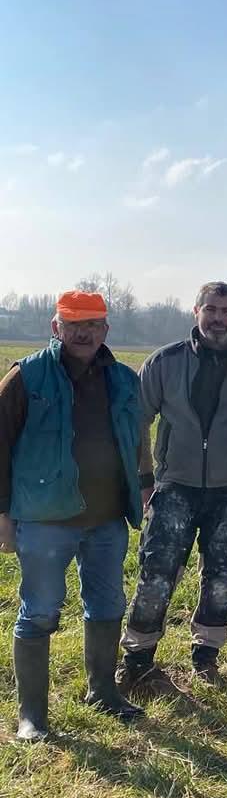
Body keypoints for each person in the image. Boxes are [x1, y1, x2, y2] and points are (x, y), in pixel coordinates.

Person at [0, 290, 149, 740]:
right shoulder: (25, 377)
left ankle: (103, 693)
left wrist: (144, 484)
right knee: (40, 611)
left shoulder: (124, 378)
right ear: (55, 327)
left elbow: (137, 435)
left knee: (107, 605)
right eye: (73, 324)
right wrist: (2, 514)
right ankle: (32, 718)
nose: (83, 332)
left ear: (106, 329)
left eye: (93, 324)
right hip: (45, 520)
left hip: (107, 520)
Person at [116, 282, 227, 691]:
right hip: (175, 487)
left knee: (221, 578)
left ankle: (206, 658)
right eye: (211, 309)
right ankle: (137, 659)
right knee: (156, 574)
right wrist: (145, 478)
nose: (218, 318)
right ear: (196, 311)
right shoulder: (165, 362)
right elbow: (136, 424)